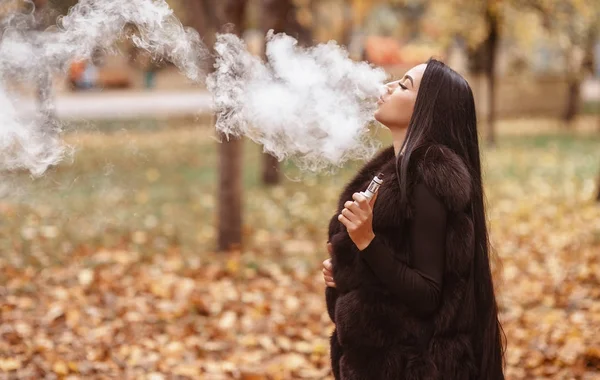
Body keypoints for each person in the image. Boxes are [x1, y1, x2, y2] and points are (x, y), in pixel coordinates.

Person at [322, 58, 505, 379]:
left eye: (404, 85)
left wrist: (366, 241)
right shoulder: (391, 171)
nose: (388, 88)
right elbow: (389, 280)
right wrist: (345, 275)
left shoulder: (429, 178)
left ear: (427, 110)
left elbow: (427, 294)